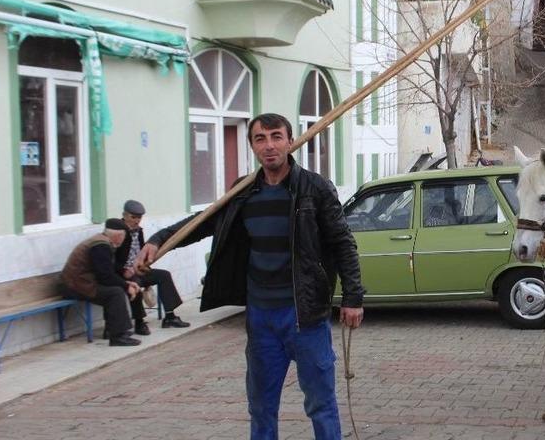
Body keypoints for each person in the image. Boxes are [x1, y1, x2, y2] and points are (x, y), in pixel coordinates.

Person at [136, 113, 365, 440]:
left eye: (276, 136)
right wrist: (159, 240)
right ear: (253, 146)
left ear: (290, 141)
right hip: (261, 318)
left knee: (320, 402)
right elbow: (201, 221)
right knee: (261, 405)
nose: (269, 145)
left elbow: (343, 243)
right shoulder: (243, 192)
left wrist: (353, 298)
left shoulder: (314, 189)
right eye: (260, 138)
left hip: (304, 316)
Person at [59, 218, 142, 347]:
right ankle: (117, 336)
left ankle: (114, 331)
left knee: (115, 291)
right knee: (115, 293)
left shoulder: (101, 241)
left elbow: (107, 273)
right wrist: (126, 285)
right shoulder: (100, 246)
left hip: (80, 283)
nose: (124, 240)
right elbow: (105, 276)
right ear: (119, 236)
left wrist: (127, 283)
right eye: (124, 237)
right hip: (75, 286)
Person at [116, 199, 190, 335]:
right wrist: (124, 270)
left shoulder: (138, 231)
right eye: (133, 217)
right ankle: (139, 322)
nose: (137, 221)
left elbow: (141, 252)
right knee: (135, 283)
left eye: (139, 218)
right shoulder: (117, 231)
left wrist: (145, 265)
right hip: (122, 274)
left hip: (138, 270)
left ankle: (170, 316)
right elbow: (113, 259)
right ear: (125, 215)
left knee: (164, 275)